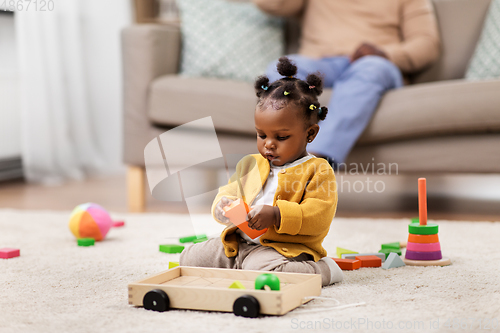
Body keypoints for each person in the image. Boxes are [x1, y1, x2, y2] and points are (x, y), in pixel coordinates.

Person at [180, 57, 343, 286]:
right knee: (189, 259)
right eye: (262, 135)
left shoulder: (318, 170)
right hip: (240, 243)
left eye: (281, 137)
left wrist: (278, 215)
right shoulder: (250, 164)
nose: (269, 144)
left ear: (310, 134)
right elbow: (229, 191)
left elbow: (319, 216)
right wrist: (223, 204)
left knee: (267, 272)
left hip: (283, 249)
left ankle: (323, 270)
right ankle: (243, 266)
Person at [254, 0, 440, 167]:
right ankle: (279, 158)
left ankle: (312, 166)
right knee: (281, 69)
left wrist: (385, 54)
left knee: (372, 68)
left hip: (376, 63)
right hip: (320, 63)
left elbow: (427, 44)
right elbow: (269, 4)